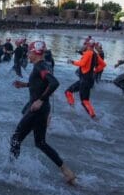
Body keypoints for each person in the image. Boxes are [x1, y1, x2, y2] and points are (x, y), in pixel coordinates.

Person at [10, 41, 76, 185]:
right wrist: (24, 85)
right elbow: (42, 83)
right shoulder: (44, 65)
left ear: (35, 53)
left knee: (15, 139)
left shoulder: (40, 66)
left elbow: (54, 83)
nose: (27, 54)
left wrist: (40, 100)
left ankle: (12, 172)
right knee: (40, 143)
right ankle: (66, 171)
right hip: (43, 109)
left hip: (37, 110)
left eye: (29, 52)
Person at [65, 40, 105, 119]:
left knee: (80, 99)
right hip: (90, 80)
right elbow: (103, 64)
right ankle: (92, 116)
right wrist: (95, 70)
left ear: (87, 45)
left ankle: (92, 117)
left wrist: (71, 61)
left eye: (85, 45)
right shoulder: (95, 54)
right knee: (79, 97)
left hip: (84, 80)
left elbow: (82, 63)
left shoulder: (88, 53)